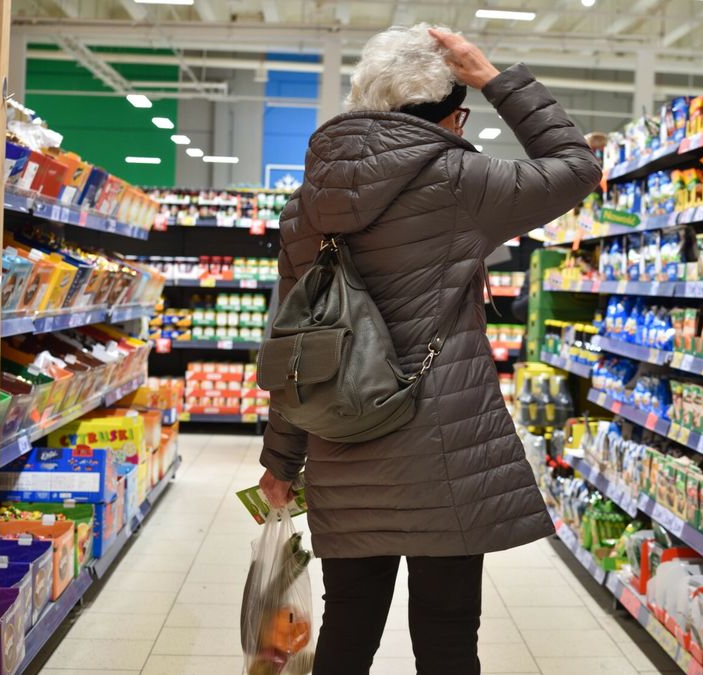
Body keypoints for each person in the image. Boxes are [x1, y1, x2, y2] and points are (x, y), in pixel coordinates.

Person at [257, 24, 601, 675]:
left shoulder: (307, 204)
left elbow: (294, 342)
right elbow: (577, 166)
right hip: (446, 457)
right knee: (446, 636)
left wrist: (281, 459)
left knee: (349, 627)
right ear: (454, 114)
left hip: (342, 445)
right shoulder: (460, 181)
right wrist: (495, 75)